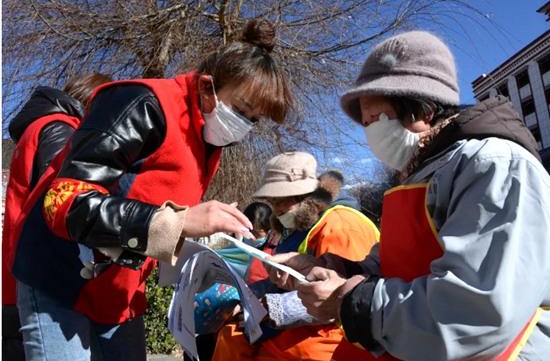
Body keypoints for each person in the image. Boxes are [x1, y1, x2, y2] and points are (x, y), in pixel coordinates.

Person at [11, 18, 293, 361]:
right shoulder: (141, 102)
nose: (245, 126)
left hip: (119, 288)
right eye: (242, 111)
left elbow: (154, 211)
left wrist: (212, 247)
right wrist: (182, 221)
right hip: (59, 273)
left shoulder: (207, 143)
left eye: (255, 119)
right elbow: (64, 203)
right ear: (207, 88)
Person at [270, 31, 550, 360]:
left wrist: (347, 301)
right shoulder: (417, 175)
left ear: (423, 109)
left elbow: (477, 313)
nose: (370, 133)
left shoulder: (494, 166)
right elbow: (395, 263)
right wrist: (336, 270)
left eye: (376, 119)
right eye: (365, 122)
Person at [212, 151, 380, 361]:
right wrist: (243, 295)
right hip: (294, 334)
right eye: (272, 203)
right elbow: (281, 285)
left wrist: (268, 307)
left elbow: (343, 294)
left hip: (325, 342)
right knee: (231, 336)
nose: (277, 210)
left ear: (303, 195)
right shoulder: (303, 225)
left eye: (281, 201)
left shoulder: (340, 225)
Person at [2, 73, 112, 361]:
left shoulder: (41, 126)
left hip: (18, 275)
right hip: (42, 279)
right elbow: (64, 200)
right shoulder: (61, 130)